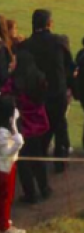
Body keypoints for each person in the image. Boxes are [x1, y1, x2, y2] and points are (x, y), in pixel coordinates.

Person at [15, 10, 73, 173]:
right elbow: (69, 66)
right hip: (57, 93)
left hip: (34, 95)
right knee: (59, 126)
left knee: (37, 130)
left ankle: (38, 161)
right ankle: (59, 163)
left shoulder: (24, 46)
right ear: (49, 24)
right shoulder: (59, 41)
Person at [1, 51, 50, 205]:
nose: (12, 63)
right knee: (37, 156)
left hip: (21, 124)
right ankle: (45, 188)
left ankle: (31, 194)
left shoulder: (13, 82)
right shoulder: (40, 77)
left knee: (23, 161)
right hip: (38, 122)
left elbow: (6, 99)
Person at [0, 96, 25, 233]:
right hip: (4, 169)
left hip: (6, 167)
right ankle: (4, 227)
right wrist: (15, 128)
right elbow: (8, 152)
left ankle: (4, 220)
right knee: (5, 197)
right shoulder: (2, 133)